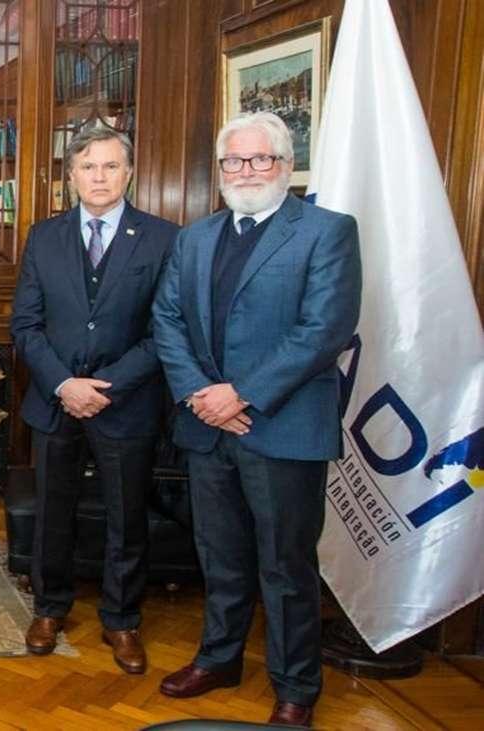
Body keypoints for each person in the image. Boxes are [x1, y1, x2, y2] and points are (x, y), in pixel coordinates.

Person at [151, 111, 362, 728]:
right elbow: (167, 319)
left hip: (283, 428)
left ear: (286, 166)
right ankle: (219, 659)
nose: (245, 170)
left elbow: (324, 329)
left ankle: (296, 687)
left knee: (286, 566)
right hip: (206, 425)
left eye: (260, 158)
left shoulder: (327, 231)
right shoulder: (195, 238)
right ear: (220, 169)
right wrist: (200, 394)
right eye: (233, 160)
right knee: (218, 554)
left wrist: (241, 395)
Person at [10, 126, 178, 672]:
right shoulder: (44, 236)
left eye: (109, 166)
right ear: (71, 175)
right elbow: (26, 325)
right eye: (87, 166)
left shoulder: (162, 238)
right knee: (51, 513)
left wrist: (106, 387)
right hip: (55, 400)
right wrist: (65, 384)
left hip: (125, 403)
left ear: (129, 173)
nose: (99, 177)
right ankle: (49, 608)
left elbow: (165, 331)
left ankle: (122, 619)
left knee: (126, 517)